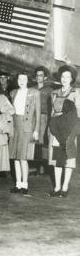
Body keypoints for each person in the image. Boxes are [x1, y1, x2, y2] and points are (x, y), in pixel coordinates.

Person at [47, 65, 80, 197]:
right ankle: (57, 187)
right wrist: (49, 129)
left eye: (68, 77)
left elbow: (78, 113)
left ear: (71, 79)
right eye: (63, 76)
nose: (65, 79)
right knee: (57, 158)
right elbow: (52, 112)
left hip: (70, 128)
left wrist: (75, 130)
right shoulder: (54, 93)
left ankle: (65, 187)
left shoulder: (76, 92)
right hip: (56, 128)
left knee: (68, 157)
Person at [8, 71, 40, 196]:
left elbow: (37, 113)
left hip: (26, 126)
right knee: (15, 156)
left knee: (23, 157)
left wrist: (36, 130)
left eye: (24, 79)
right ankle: (18, 184)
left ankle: (25, 184)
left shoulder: (34, 92)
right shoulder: (13, 92)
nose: (22, 81)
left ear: (28, 80)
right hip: (15, 125)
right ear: (17, 80)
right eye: (20, 78)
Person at [34, 66, 53, 167]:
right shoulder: (32, 89)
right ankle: (33, 162)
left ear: (45, 77)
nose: (38, 77)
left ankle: (40, 166)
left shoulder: (49, 90)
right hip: (33, 117)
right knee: (32, 138)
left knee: (40, 139)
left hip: (43, 117)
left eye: (41, 75)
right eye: (37, 75)